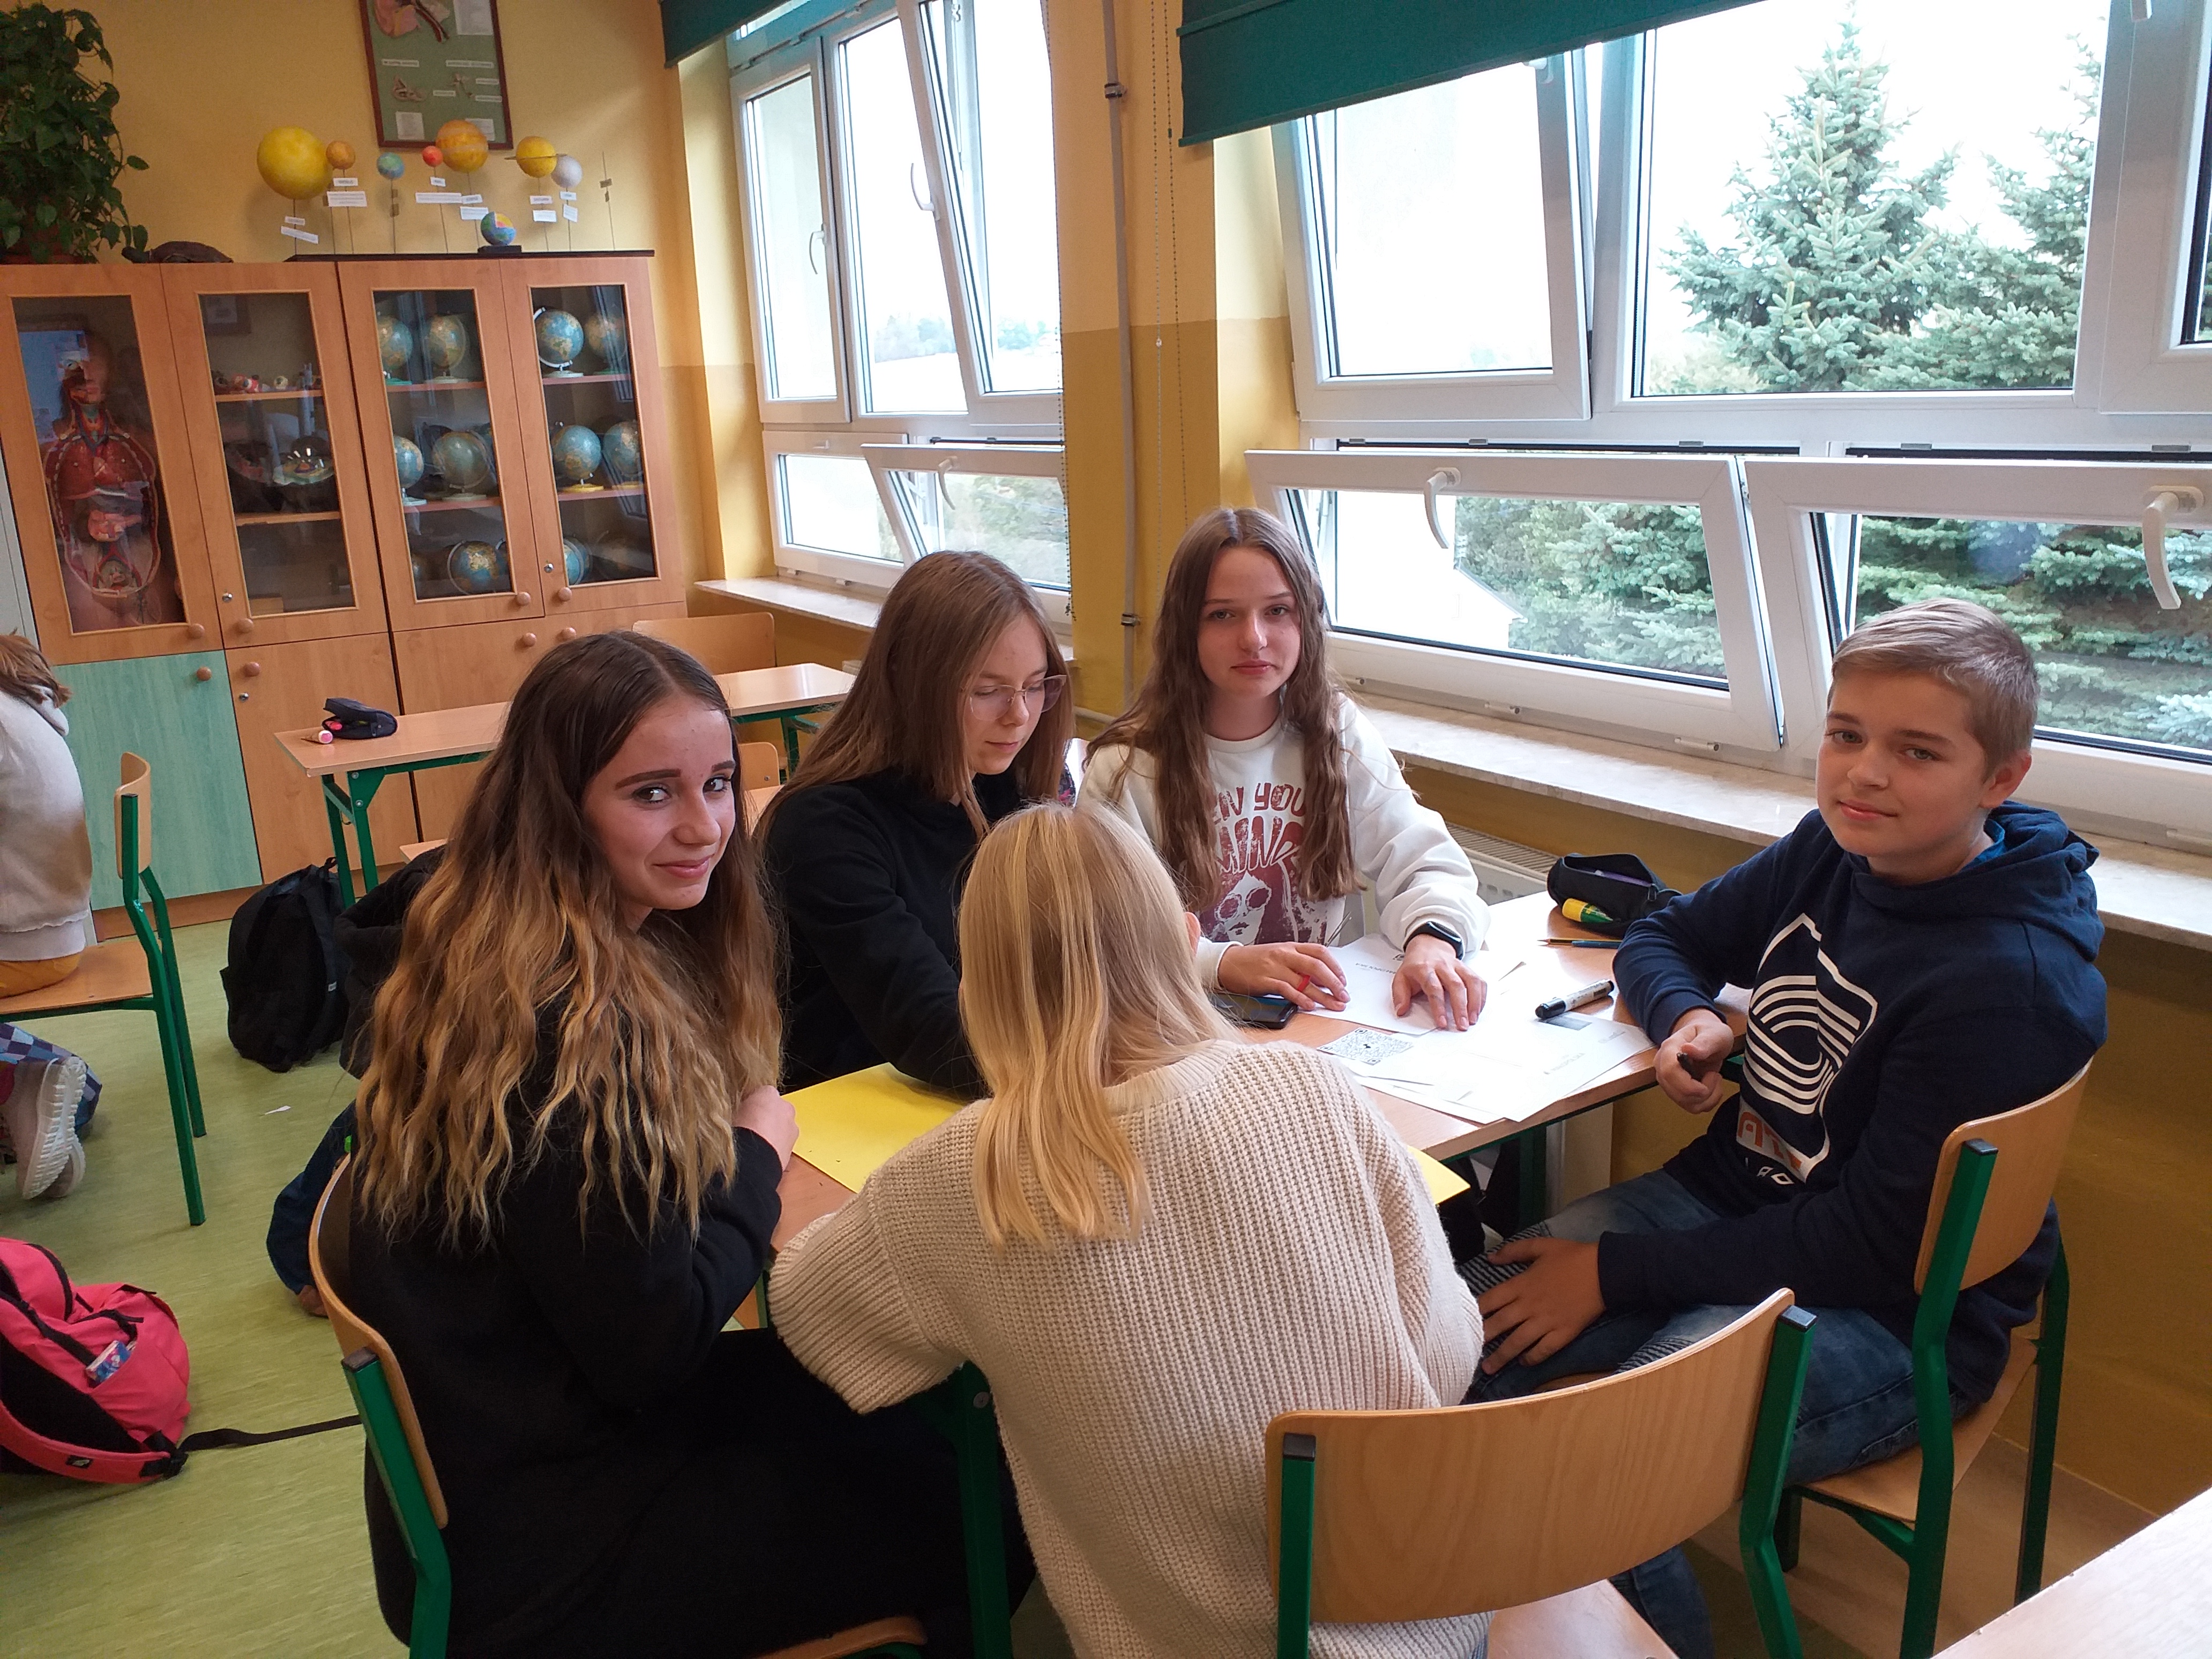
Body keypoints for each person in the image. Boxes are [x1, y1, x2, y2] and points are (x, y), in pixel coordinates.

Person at [1460, 599, 2107, 1659]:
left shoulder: (2008, 985)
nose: (1864, 773)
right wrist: (1690, 1016)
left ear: (2000, 779)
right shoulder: (1831, 849)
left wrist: (1613, 1275)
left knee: (1606, 1461)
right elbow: (1663, 934)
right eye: (1846, 734)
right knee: (1443, 1332)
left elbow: (1870, 1246)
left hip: (1890, 1312)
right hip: (1734, 1205)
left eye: (1916, 751)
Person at [347, 632, 996, 1658]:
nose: (704, 827)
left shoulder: (501, 950)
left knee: (912, 1408)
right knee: (987, 1496)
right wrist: (753, 1154)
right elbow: (655, 1345)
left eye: (719, 784)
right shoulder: (564, 1032)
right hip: (552, 1548)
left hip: (512, 1450)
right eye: (651, 793)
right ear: (558, 809)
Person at [772, 805, 1486, 1659]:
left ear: (973, 993)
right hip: (1436, 1615)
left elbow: (813, 1317)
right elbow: (1448, 1355)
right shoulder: (1314, 1087)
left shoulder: (960, 1178)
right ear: (1186, 939)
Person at [1080, 507, 1490, 1032]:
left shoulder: (1335, 730)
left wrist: (1432, 940)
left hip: (1319, 1024)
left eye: (1278, 611)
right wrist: (1221, 963)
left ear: (1306, 620)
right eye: (1222, 615)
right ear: (1185, 629)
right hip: (1183, 1032)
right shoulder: (1126, 768)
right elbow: (1101, 936)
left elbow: (1426, 860)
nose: (1254, 638)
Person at [761, 552, 1073, 1093]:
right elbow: (932, 1031)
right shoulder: (823, 827)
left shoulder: (1013, 784)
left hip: (999, 1081)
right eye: (987, 691)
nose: (1020, 715)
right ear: (912, 685)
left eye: (1035, 685)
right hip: (853, 1104)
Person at [0, 633, 96, 1199]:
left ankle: (20, 1083)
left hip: (22, 944)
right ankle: (35, 1110)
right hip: (49, 932)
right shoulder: (20, 708)